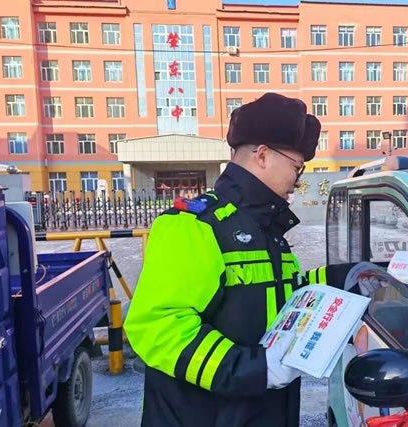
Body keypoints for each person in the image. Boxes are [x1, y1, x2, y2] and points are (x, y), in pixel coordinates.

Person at [124, 93, 359, 427]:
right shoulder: (195, 226)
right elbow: (158, 327)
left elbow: (283, 294)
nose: (298, 179)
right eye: (297, 167)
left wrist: (347, 279)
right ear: (262, 155)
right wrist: (254, 369)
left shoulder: (265, 227)